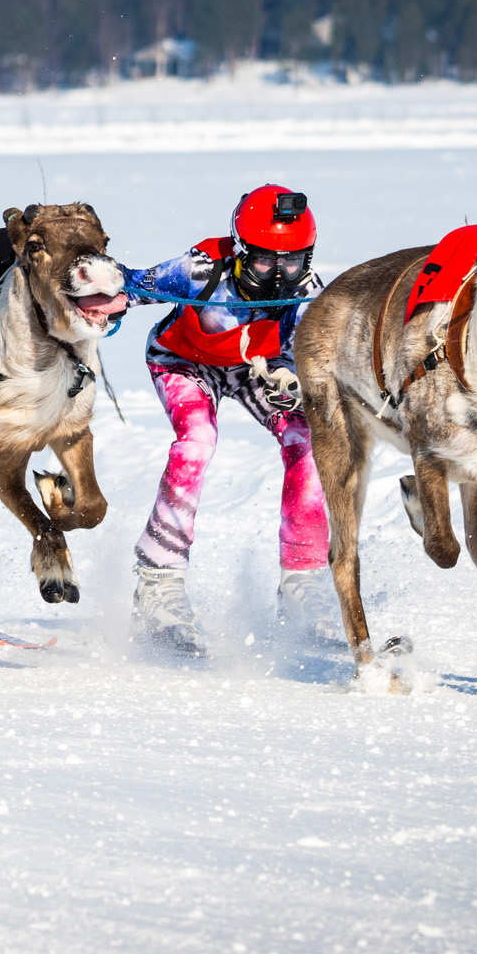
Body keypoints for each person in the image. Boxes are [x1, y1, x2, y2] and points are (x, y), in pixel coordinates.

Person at [119, 185, 331, 657]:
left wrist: (291, 378)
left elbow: (307, 351)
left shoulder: (308, 295)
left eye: (293, 263)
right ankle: (158, 582)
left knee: (307, 440)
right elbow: (132, 286)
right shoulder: (199, 269)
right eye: (264, 264)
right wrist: (98, 291)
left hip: (259, 369)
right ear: (238, 251)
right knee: (197, 440)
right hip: (183, 363)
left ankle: (304, 583)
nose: (279, 277)